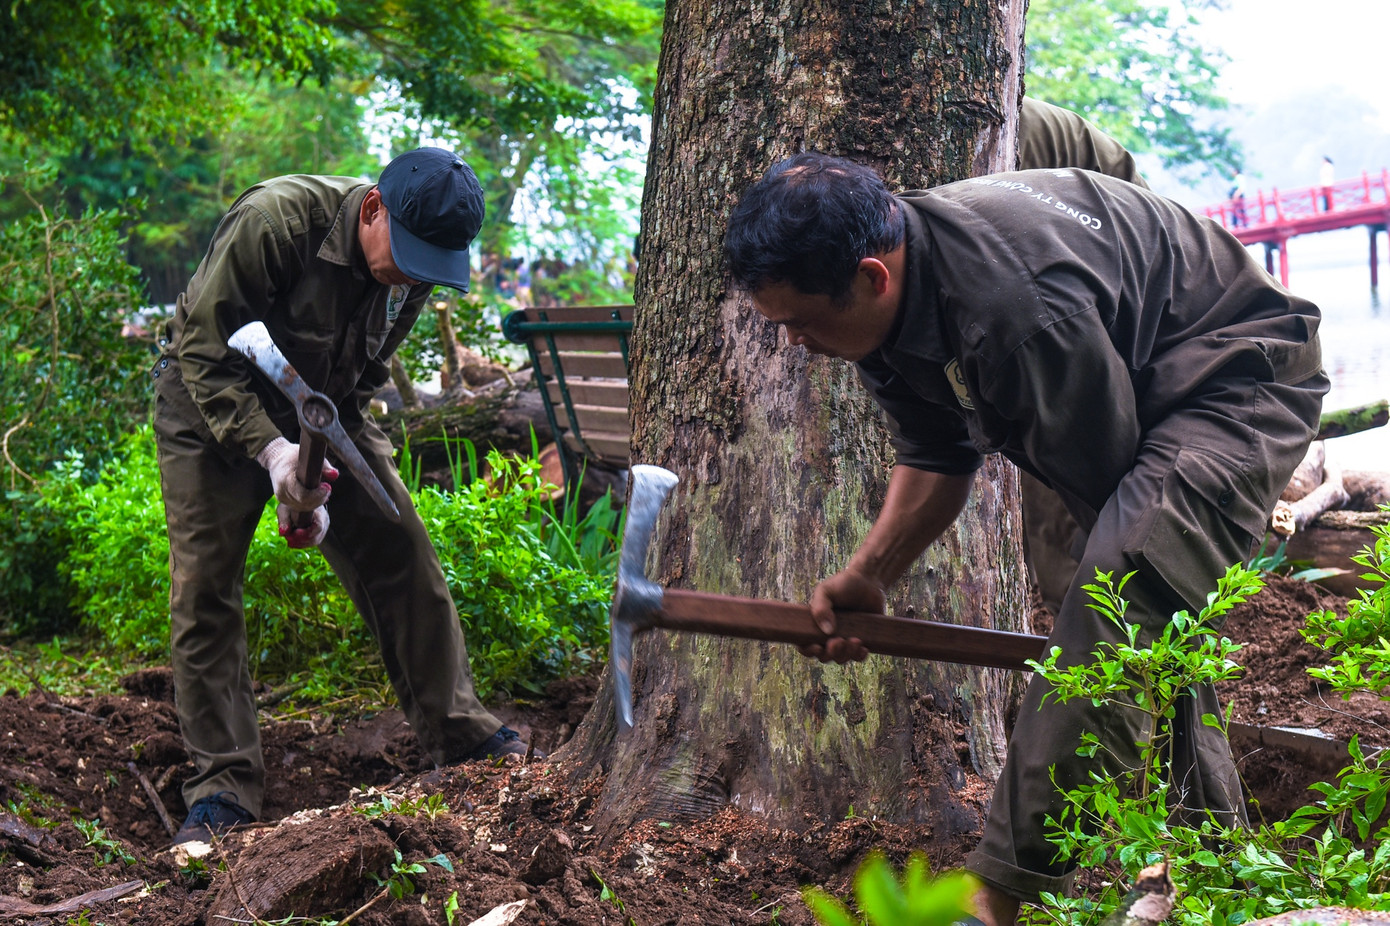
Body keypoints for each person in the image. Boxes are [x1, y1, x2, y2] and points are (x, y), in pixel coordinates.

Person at [723, 153, 1326, 924]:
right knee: (1132, 609)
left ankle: (996, 898)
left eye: (804, 322)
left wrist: (1113, 617)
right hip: (1129, 364)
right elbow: (937, 454)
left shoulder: (1014, 311)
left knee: (1121, 596)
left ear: (873, 277)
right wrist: (871, 574)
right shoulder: (891, 289)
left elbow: (1116, 539)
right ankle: (1219, 863)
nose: (796, 344)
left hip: (1239, 370)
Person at [152, 147, 534, 846]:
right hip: (206, 406)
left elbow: (358, 379)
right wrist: (273, 455)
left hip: (323, 408)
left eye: (431, 267)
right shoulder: (274, 221)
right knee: (205, 587)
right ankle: (224, 791)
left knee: (401, 547)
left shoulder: (413, 266)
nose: (414, 275)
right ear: (372, 209)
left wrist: (314, 486)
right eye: (410, 253)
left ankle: (461, 734)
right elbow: (205, 355)